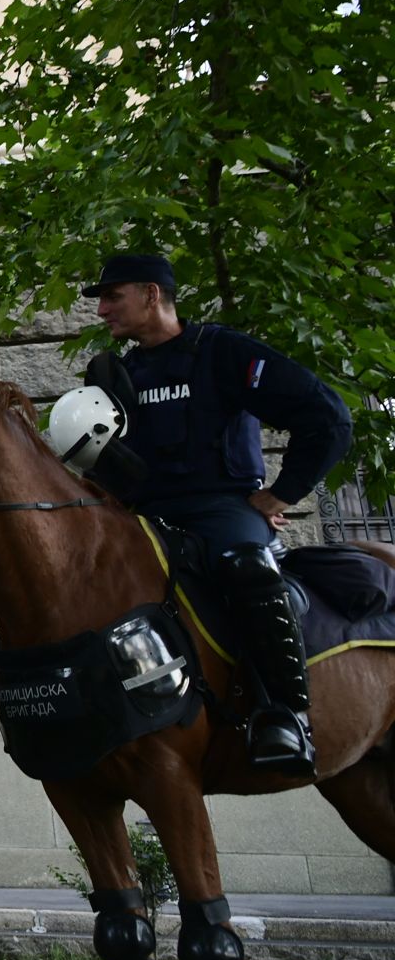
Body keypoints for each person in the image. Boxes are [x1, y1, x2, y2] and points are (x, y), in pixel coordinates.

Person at [81, 252, 352, 774]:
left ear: (152, 294)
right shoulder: (114, 373)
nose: (102, 311)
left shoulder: (224, 351)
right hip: (141, 515)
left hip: (220, 508)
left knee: (248, 567)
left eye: (112, 297)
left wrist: (280, 495)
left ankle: (287, 717)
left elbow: (327, 418)